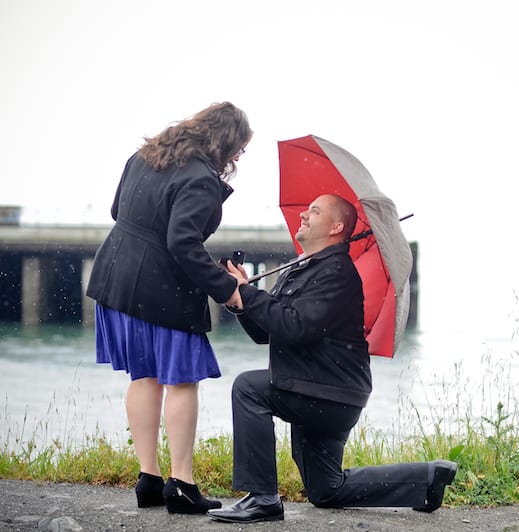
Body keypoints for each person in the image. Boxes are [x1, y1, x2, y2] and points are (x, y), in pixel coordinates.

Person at [208, 193, 457, 523]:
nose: (304, 215)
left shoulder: (338, 273)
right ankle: (426, 479)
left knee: (249, 388)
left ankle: (262, 497)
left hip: (329, 393)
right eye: (306, 208)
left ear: (337, 226)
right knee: (326, 490)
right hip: (313, 387)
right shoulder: (300, 270)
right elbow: (266, 333)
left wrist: (251, 294)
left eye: (315, 210)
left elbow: (297, 328)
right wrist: (240, 302)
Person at [85, 102, 252, 514]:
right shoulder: (201, 179)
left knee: (144, 377)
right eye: (240, 148)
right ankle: (182, 483)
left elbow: (118, 211)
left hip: (117, 280)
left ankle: (148, 479)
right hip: (160, 291)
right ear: (225, 140)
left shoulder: (144, 156)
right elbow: (181, 243)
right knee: (181, 381)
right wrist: (225, 286)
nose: (239, 157)